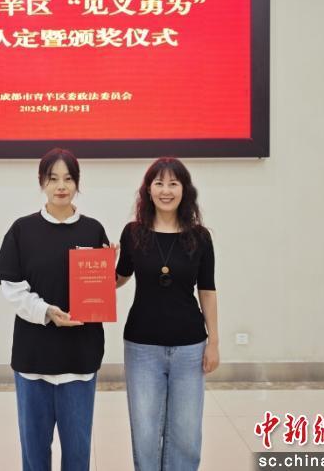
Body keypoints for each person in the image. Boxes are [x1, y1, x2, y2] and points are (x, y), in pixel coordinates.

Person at [0, 148, 111, 471]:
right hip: (34, 360)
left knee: (78, 454)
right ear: (42, 182)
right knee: (34, 455)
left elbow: (99, 291)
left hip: (79, 358)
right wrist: (46, 311)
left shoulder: (93, 229)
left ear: (77, 183)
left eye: (68, 179)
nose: (61, 186)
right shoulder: (22, 229)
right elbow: (12, 288)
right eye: (53, 178)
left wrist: (107, 271)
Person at [115, 157, 219, 471]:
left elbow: (207, 290)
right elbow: (119, 278)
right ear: (148, 190)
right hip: (142, 347)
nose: (166, 190)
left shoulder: (200, 237)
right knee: (145, 433)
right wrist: (94, 269)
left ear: (185, 190)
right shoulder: (133, 233)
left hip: (190, 347)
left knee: (186, 435)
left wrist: (213, 342)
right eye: (159, 183)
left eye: (173, 183)